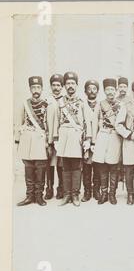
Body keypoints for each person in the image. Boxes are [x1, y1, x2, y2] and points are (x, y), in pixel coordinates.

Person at [53, 72, 91, 207]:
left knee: (76, 166)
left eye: (72, 83)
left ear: (76, 85)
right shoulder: (60, 102)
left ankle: (75, 194)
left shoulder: (82, 103)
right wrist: (55, 138)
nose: (70, 86)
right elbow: (56, 121)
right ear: (64, 86)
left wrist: (88, 139)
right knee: (65, 165)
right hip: (63, 136)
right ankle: (67, 194)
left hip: (76, 137)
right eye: (68, 83)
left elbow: (87, 122)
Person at [15, 76, 51, 206]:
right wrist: (17, 141)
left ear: (41, 89)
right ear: (30, 89)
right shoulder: (25, 104)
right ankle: (29, 196)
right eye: (33, 87)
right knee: (29, 168)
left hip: (40, 139)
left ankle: (39, 196)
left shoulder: (46, 104)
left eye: (38, 87)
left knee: (40, 168)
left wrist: (49, 141)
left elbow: (49, 124)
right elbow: (19, 122)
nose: (36, 90)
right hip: (27, 139)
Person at [92, 78, 122, 205]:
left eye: (112, 89)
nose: (110, 92)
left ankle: (112, 194)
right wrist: (93, 141)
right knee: (102, 167)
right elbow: (95, 122)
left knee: (113, 167)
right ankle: (104, 193)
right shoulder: (100, 104)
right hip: (102, 136)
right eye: (108, 89)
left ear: (116, 91)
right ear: (104, 91)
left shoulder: (120, 105)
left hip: (115, 136)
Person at [81, 79, 101, 202]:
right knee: (86, 167)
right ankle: (87, 191)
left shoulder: (101, 105)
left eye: (94, 88)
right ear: (85, 91)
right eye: (89, 88)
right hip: (85, 141)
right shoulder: (82, 105)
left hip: (99, 140)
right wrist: (85, 141)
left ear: (97, 91)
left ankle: (96, 190)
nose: (92, 91)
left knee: (98, 166)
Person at [46, 74, 65, 200]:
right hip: (49, 137)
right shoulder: (46, 101)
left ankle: (61, 188)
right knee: (49, 164)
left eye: (58, 85)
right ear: (51, 86)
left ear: (62, 87)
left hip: (62, 138)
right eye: (54, 85)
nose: (56, 88)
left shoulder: (65, 101)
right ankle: (49, 189)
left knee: (61, 164)